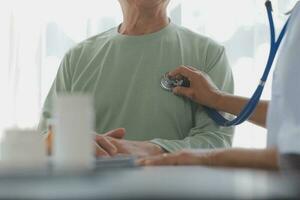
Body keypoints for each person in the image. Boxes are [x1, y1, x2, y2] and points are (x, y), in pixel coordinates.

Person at [39, 0, 234, 157]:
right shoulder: (77, 58)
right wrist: (66, 141)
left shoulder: (209, 54)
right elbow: (44, 137)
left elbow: (216, 140)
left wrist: (152, 149)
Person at [139, 1, 300, 170]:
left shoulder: (207, 51)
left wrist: (207, 158)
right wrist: (217, 98)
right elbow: (290, 116)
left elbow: (293, 154)